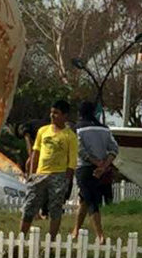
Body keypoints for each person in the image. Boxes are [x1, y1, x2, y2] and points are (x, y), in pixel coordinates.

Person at [21, 100, 77, 237]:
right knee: (29, 207)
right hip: (40, 175)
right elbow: (36, 153)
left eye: (56, 113)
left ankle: (51, 242)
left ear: (65, 116)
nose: (52, 116)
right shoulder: (43, 131)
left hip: (58, 175)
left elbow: (71, 162)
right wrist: (32, 174)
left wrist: (66, 181)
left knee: (55, 210)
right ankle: (20, 239)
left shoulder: (70, 136)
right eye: (51, 112)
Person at [71, 101, 120, 241]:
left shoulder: (78, 129)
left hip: (84, 168)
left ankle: (100, 235)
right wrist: (104, 165)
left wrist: (95, 162)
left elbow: (79, 150)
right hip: (101, 169)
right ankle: (76, 229)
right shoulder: (105, 129)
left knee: (90, 200)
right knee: (84, 199)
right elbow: (114, 149)